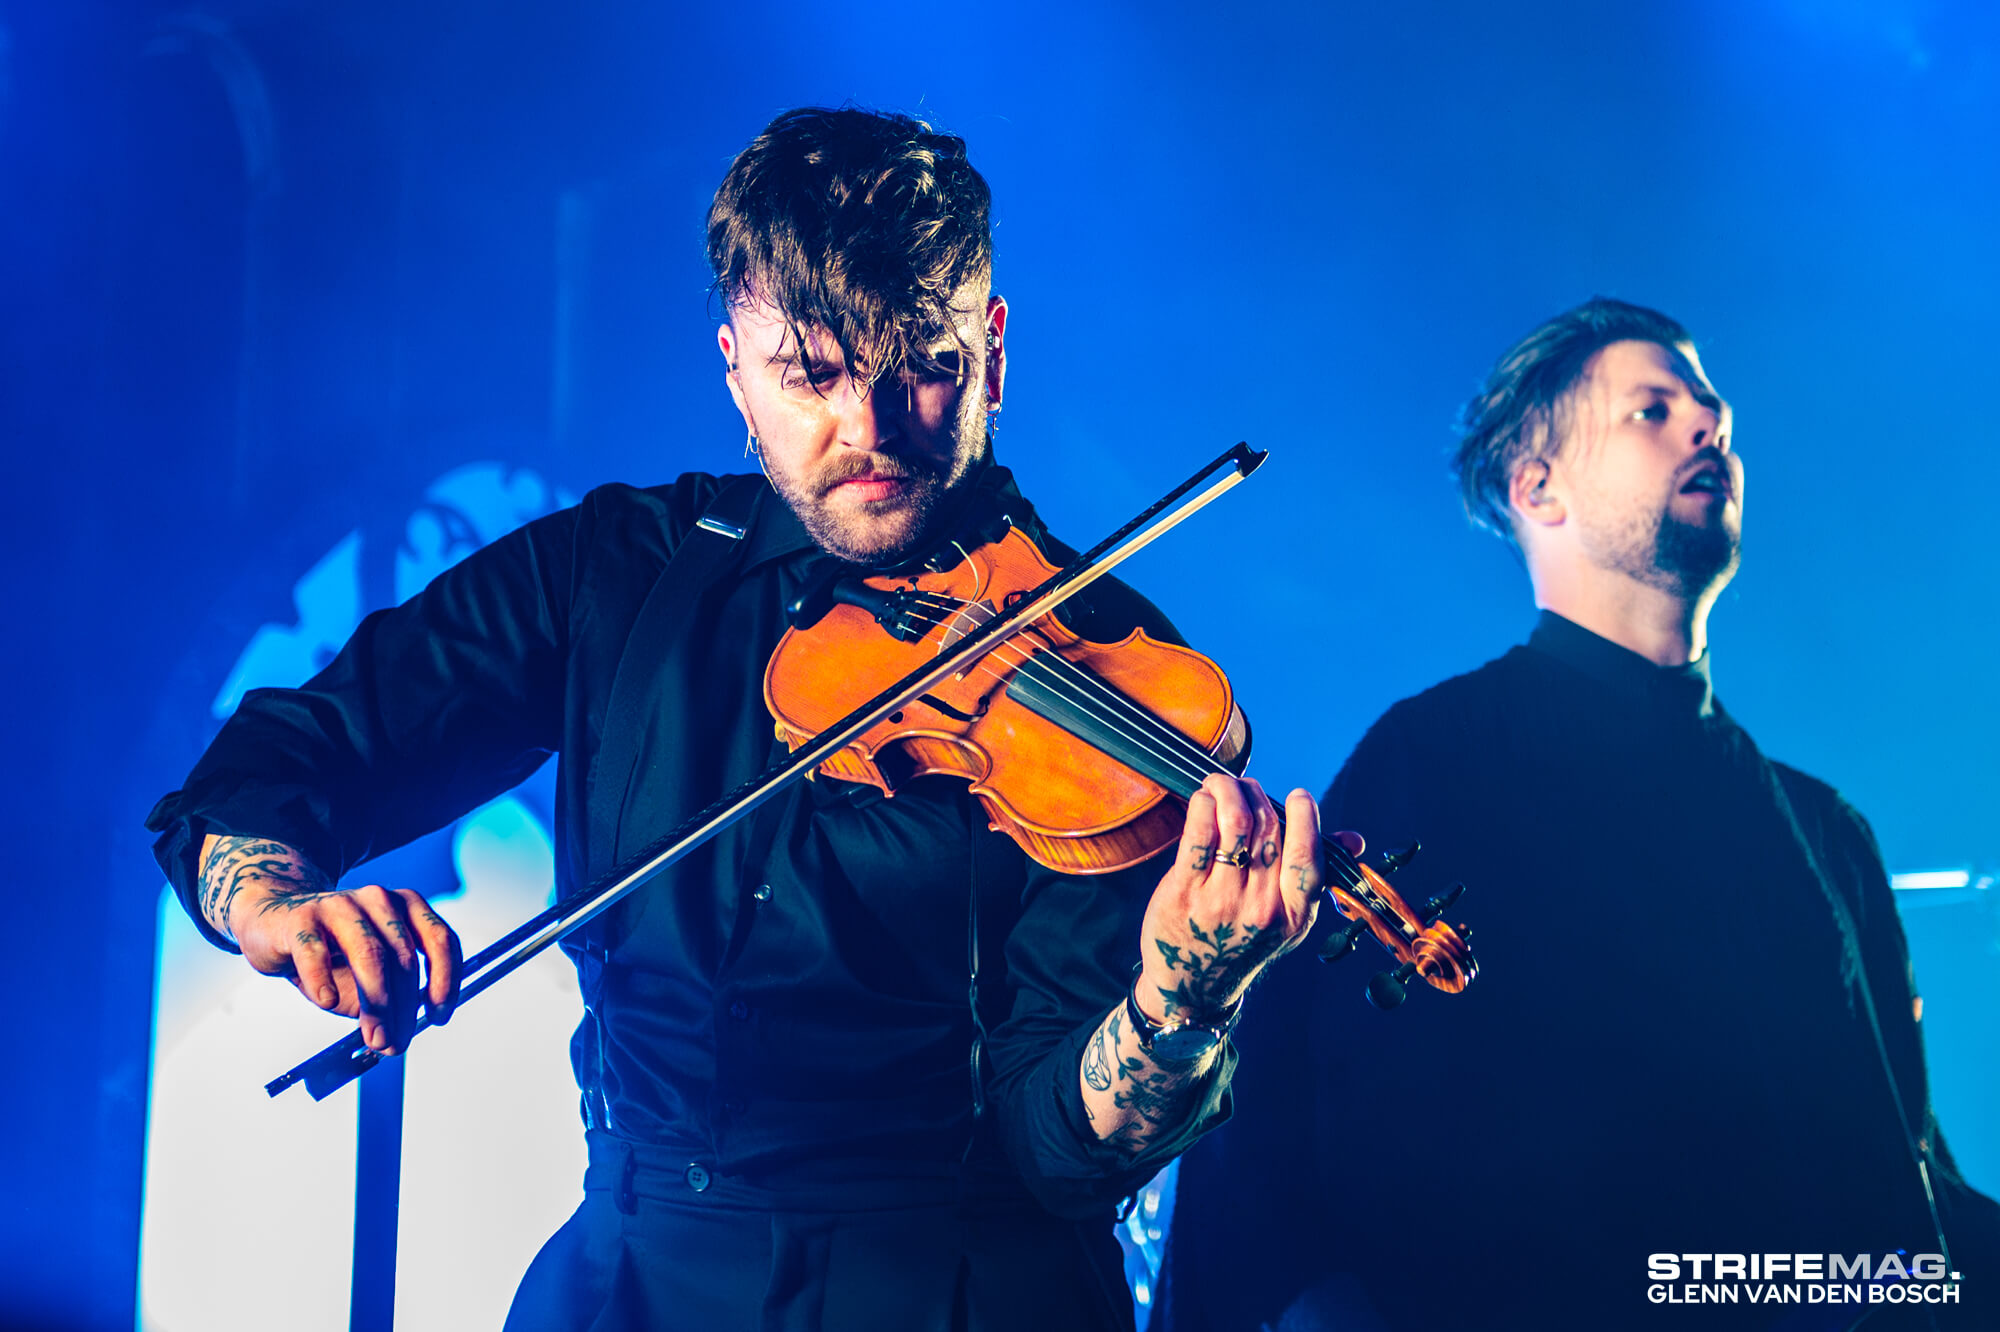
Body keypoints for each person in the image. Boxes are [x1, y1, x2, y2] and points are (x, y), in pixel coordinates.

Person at [145, 107, 1343, 1331]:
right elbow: (263, 776)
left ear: (990, 349)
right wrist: (275, 899)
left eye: (920, 363)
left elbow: (1063, 1155)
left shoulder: (1115, 679)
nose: (867, 432)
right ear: (733, 369)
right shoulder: (617, 571)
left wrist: (1180, 1001)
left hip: (953, 1289)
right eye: (810, 374)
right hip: (632, 1279)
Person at [1157, 298, 2000, 1330]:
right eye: (1651, 411)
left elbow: (1903, 1200)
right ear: (1536, 487)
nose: (1708, 425)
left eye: (1709, 409)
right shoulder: (1429, 757)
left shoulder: (1827, 831)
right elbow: (1283, 1165)